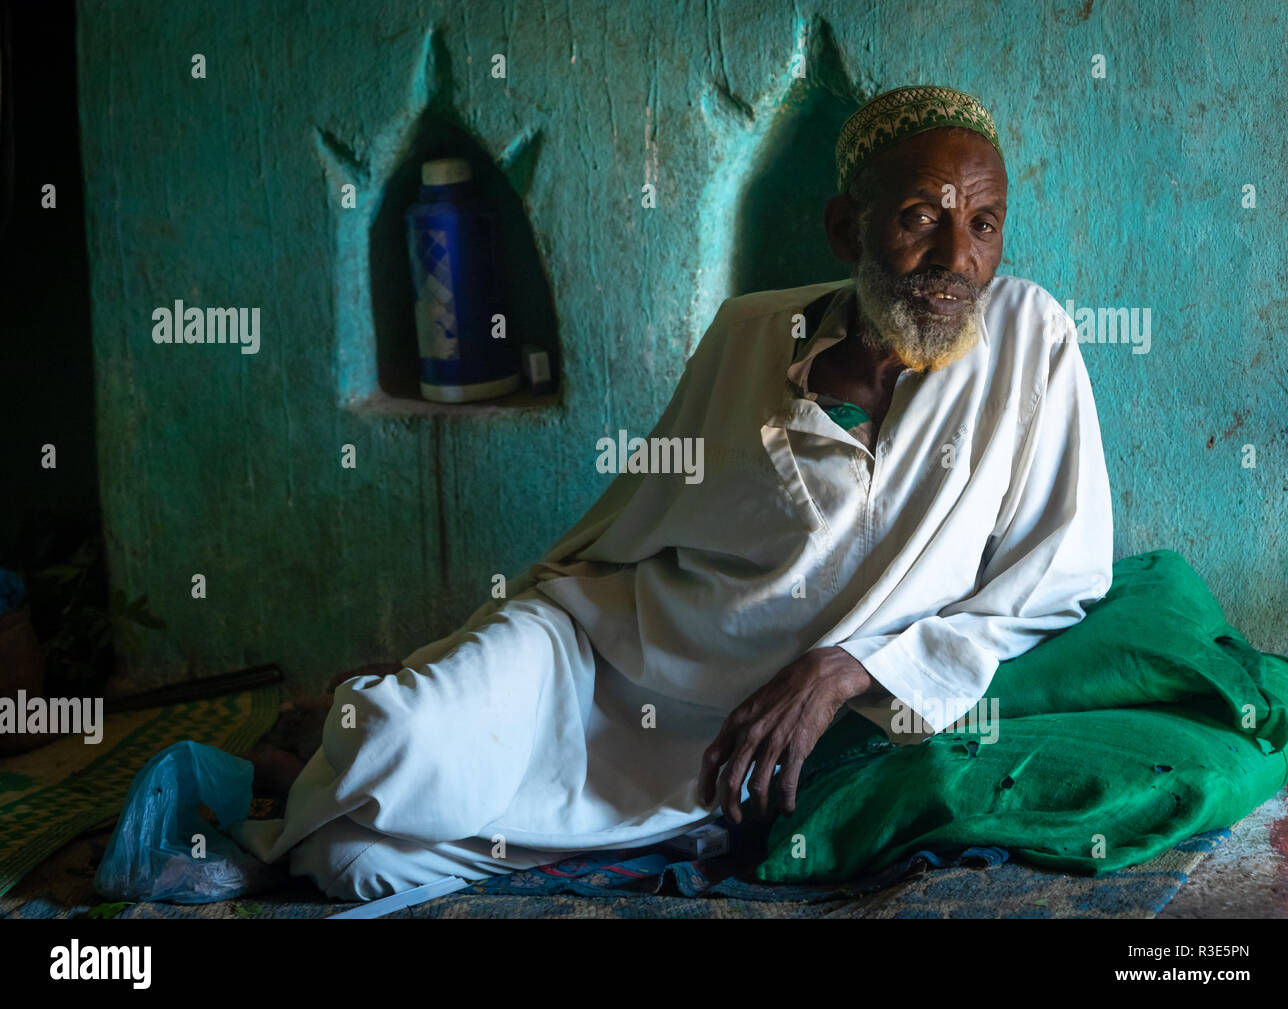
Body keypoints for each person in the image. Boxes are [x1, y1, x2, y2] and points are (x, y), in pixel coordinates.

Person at [237, 85, 1113, 901]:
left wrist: (848, 669)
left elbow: (1055, 579)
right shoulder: (751, 335)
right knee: (392, 742)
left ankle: (318, 763)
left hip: (720, 727)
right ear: (849, 229)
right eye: (923, 218)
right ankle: (352, 732)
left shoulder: (1029, 339)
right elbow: (621, 534)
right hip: (593, 653)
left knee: (348, 861)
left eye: (985, 224)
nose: (956, 259)